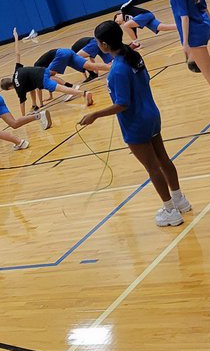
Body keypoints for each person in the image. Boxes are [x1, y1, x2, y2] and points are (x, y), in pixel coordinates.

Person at [77, 21, 191, 228]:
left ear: (104, 45)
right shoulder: (134, 56)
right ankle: (179, 200)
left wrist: (95, 114)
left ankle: (170, 211)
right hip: (151, 114)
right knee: (163, 159)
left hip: (136, 122)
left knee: (152, 167)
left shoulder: (117, 70)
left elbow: (122, 104)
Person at [0, 28, 93, 121]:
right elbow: (17, 53)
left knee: (60, 88)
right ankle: (72, 88)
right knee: (53, 78)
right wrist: (16, 37)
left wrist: (23, 117)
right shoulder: (17, 70)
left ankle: (83, 93)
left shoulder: (18, 87)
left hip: (41, 79)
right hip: (43, 70)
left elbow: (22, 103)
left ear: (9, 88)